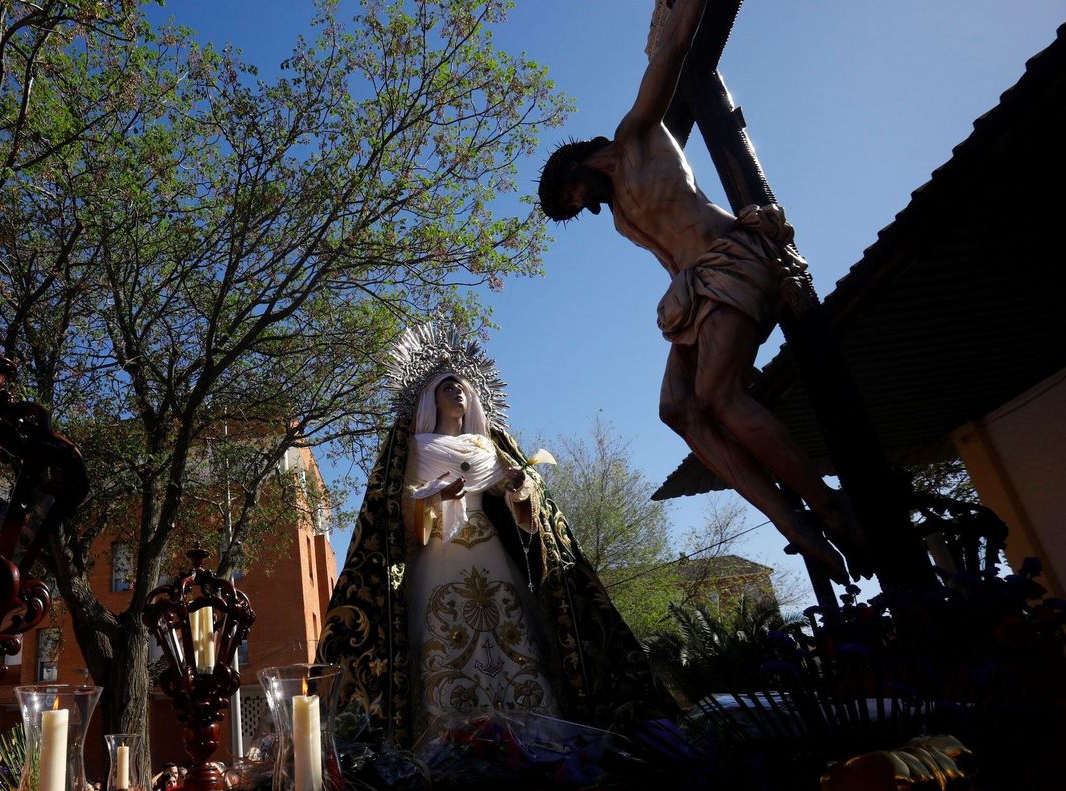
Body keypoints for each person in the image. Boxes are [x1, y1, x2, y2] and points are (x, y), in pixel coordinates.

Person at [537, 0, 863, 583]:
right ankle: (790, 521)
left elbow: (673, 49)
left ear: (574, 167)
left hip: (731, 260)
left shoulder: (638, 135)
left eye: (571, 196)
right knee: (676, 409)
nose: (581, 206)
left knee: (718, 396)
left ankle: (829, 504)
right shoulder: (619, 216)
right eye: (572, 206)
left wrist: (684, 10)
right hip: (693, 292)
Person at [319, 324, 667, 746]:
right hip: (441, 548)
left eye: (461, 388)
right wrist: (435, 497)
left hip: (486, 542)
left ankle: (530, 729)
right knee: (445, 628)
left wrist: (521, 486)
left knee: (507, 623)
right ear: (431, 398)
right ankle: (449, 733)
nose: (457, 393)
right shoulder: (417, 447)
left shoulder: (487, 446)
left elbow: (518, 504)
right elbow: (398, 508)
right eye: (447, 388)